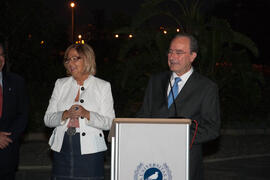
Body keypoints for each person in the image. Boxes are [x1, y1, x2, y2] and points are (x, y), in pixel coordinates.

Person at [137, 33, 221, 180]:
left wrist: (177, 136)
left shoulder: (206, 87)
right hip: (153, 160)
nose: (172, 56)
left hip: (186, 161)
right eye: (170, 51)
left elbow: (212, 129)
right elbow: (143, 115)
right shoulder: (156, 81)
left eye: (179, 52)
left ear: (192, 56)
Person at [44, 43, 115, 180]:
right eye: (67, 59)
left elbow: (110, 123)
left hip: (91, 153)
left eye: (75, 58)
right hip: (62, 149)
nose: (70, 63)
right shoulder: (60, 84)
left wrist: (87, 114)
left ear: (87, 59)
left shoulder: (103, 86)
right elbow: (47, 119)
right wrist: (65, 114)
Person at [0, 42, 28, 179]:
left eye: (1, 55)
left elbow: (22, 115)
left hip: (7, 152)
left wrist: (6, 139)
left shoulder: (16, 82)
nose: (0, 59)